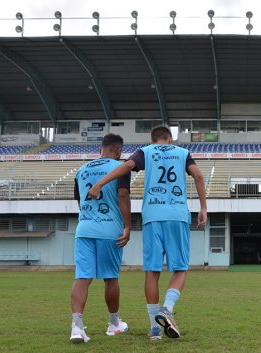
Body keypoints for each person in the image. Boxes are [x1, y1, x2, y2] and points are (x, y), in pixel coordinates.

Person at [88, 125, 207, 341]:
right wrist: (203, 208)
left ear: (153, 140)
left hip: (152, 215)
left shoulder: (146, 152)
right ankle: (167, 308)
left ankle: (154, 329)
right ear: (169, 140)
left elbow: (127, 166)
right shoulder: (182, 153)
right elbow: (198, 176)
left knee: (152, 271)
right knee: (180, 269)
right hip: (177, 215)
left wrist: (100, 183)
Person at [70, 133, 132, 343]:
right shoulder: (120, 167)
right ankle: (114, 323)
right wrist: (127, 226)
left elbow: (79, 202)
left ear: (101, 149)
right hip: (109, 230)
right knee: (110, 277)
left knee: (82, 277)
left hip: (84, 228)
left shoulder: (81, 170)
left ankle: (77, 327)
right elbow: (123, 195)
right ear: (119, 150)